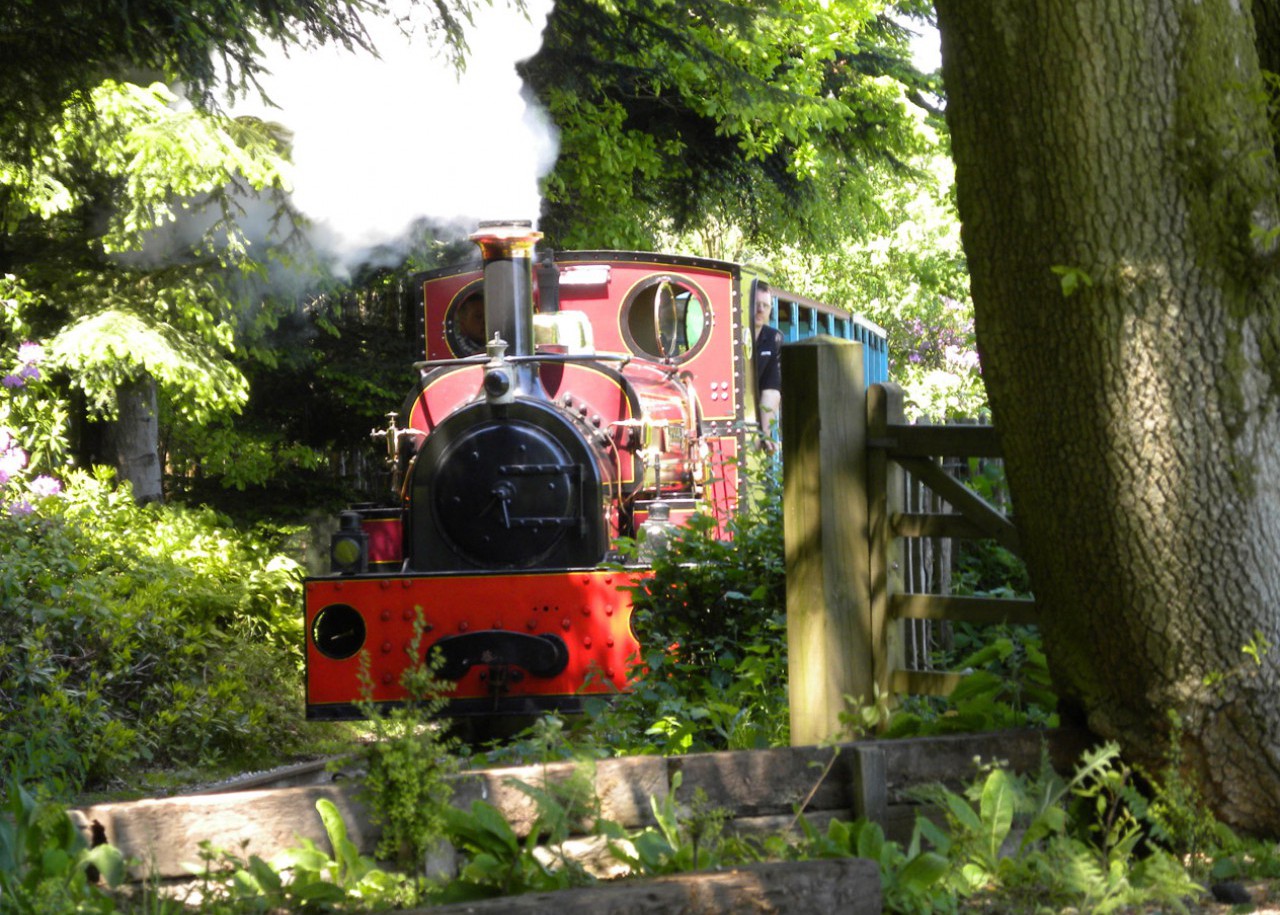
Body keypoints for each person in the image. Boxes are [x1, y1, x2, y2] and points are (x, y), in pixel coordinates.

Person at [753, 280, 782, 451]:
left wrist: (765, 432)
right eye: (756, 304)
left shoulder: (774, 339)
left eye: (765, 305)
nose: (761, 310)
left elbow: (771, 389)